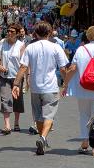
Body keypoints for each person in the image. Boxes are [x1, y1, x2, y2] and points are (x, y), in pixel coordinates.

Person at [12, 21, 68, 155]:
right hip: (51, 86)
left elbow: (23, 67)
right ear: (50, 33)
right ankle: (43, 138)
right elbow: (62, 68)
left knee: (38, 115)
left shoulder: (30, 48)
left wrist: (16, 84)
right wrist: (66, 83)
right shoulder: (56, 47)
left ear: (36, 33)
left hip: (35, 87)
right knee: (49, 115)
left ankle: (42, 138)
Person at [61, 25, 94, 154]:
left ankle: (85, 141)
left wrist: (65, 84)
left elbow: (73, 69)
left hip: (82, 88)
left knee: (84, 115)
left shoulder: (81, 50)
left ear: (89, 36)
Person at [0, 24, 25, 134]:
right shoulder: (2, 43)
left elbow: (23, 63)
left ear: (17, 33)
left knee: (17, 100)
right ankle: (7, 125)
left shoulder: (21, 45)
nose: (9, 33)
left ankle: (16, 122)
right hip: (4, 77)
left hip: (17, 77)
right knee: (5, 99)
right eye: (8, 31)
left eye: (12, 31)